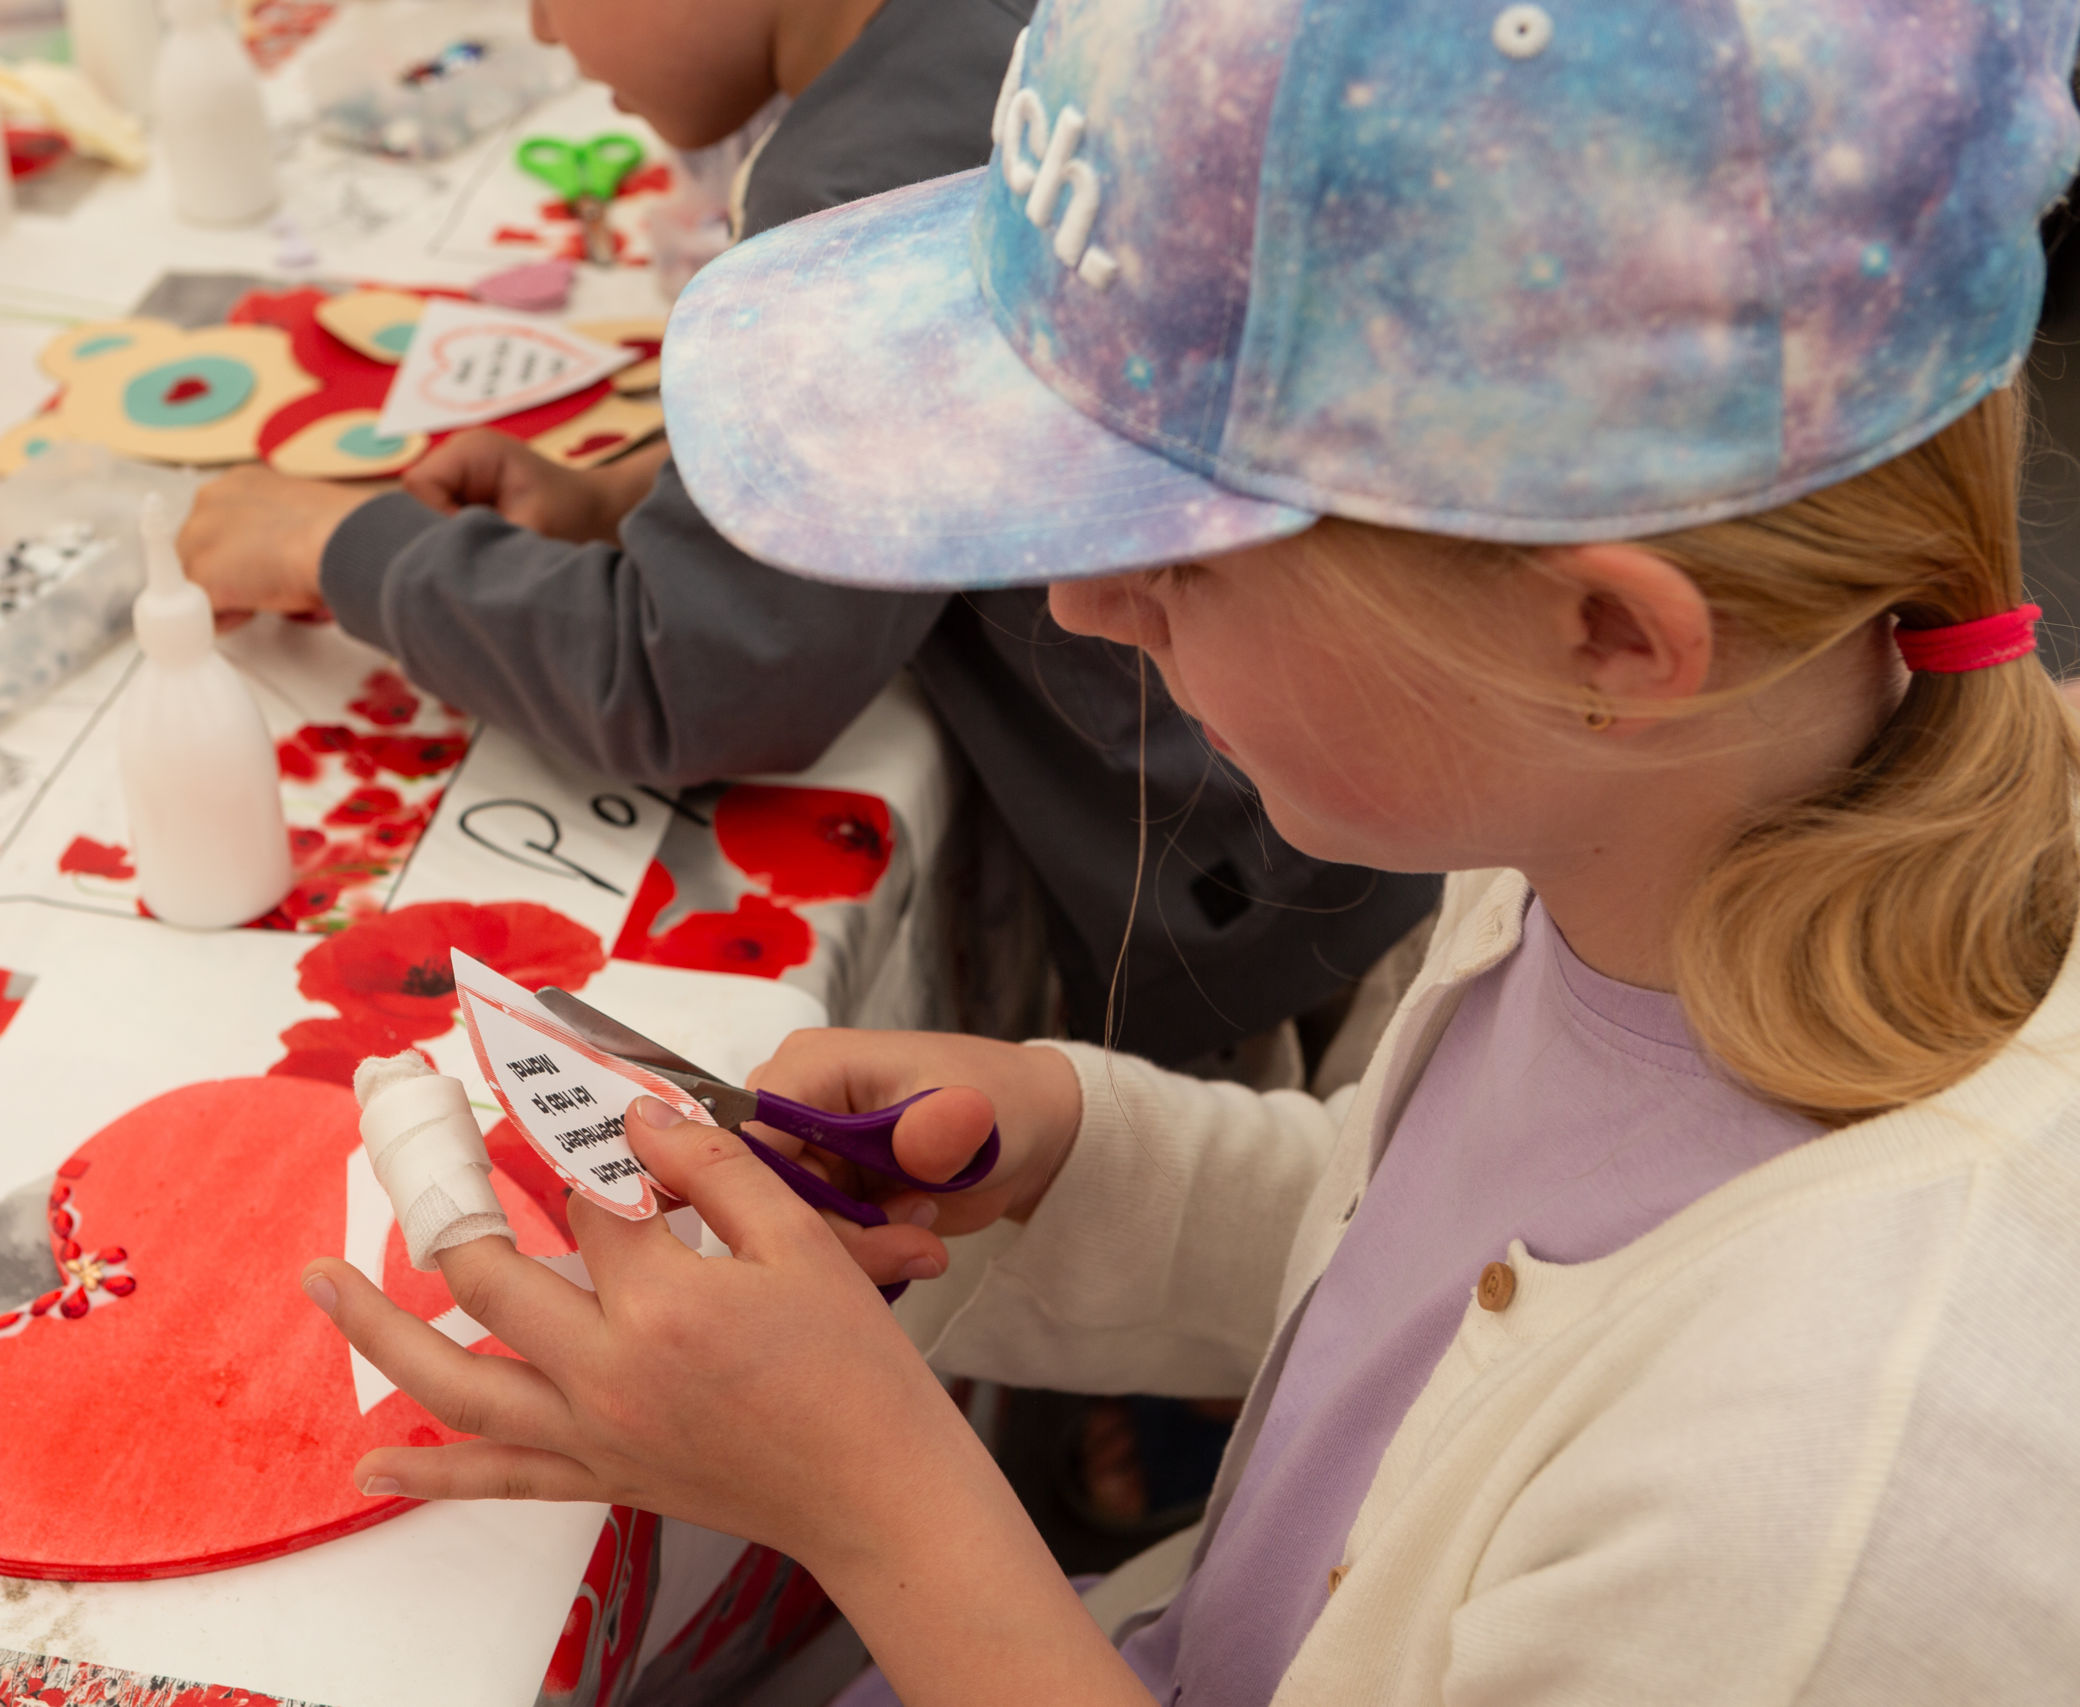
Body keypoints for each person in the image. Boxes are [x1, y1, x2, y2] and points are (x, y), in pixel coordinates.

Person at [294, 0, 2080, 1699]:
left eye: (1174, 549)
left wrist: (879, 1507)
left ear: (1609, 636)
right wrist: (1088, 1157)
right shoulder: (1635, 843)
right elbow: (1424, 1277)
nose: (1075, 598)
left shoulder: (1841, 1505)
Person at [177, 0, 1438, 1074]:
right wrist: (641, 492)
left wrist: (337, 547)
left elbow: (689, 673)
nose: (540, 29)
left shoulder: (859, 181)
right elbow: (960, 418)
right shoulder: (1001, 42)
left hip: (1253, 887)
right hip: (1355, 785)